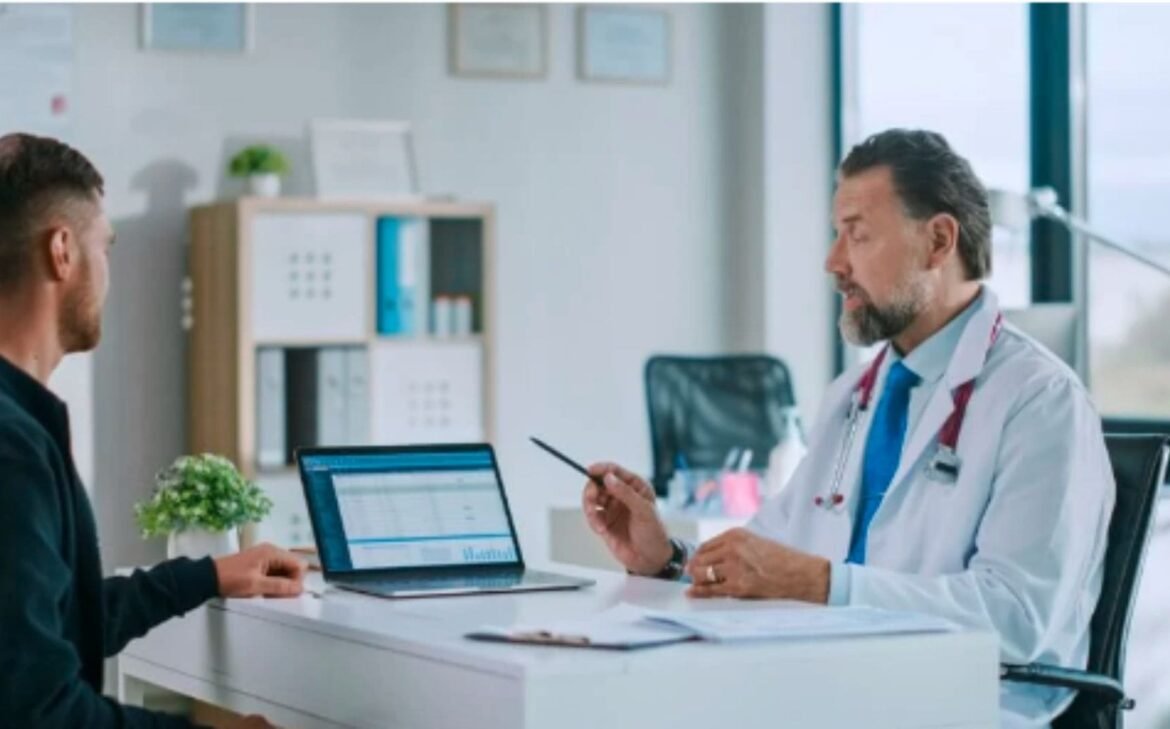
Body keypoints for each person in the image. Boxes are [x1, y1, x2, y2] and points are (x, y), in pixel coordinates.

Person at [581, 129, 1115, 728]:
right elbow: (770, 551)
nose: (834, 262)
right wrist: (667, 560)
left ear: (938, 241)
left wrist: (823, 583)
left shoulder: (1040, 402)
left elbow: (1017, 620)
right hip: (837, 689)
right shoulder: (855, 396)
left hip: (963, 707)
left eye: (857, 234)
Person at [0, 132, 305, 728]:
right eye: (105, 248)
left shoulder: (20, 424)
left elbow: (52, 626)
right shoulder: (12, 448)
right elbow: (41, 713)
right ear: (62, 251)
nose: (108, 275)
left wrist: (209, 575)